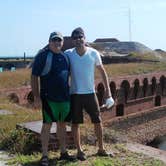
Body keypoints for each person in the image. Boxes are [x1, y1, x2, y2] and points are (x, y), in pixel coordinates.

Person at [65, 27, 114, 161]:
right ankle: (79, 151)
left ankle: (101, 148)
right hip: (74, 94)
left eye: (80, 37)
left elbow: (102, 72)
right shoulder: (68, 54)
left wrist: (108, 91)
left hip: (90, 93)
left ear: (84, 38)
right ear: (73, 40)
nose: (78, 39)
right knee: (75, 123)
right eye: (75, 38)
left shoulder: (93, 53)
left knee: (98, 121)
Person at [31, 31, 74, 166]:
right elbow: (34, 76)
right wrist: (37, 97)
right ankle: (44, 155)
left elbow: (68, 77)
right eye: (54, 40)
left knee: (62, 125)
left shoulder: (65, 57)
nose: (57, 43)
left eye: (59, 40)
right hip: (49, 99)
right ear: (49, 42)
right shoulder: (43, 56)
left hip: (65, 99)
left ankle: (63, 152)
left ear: (62, 42)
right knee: (47, 126)